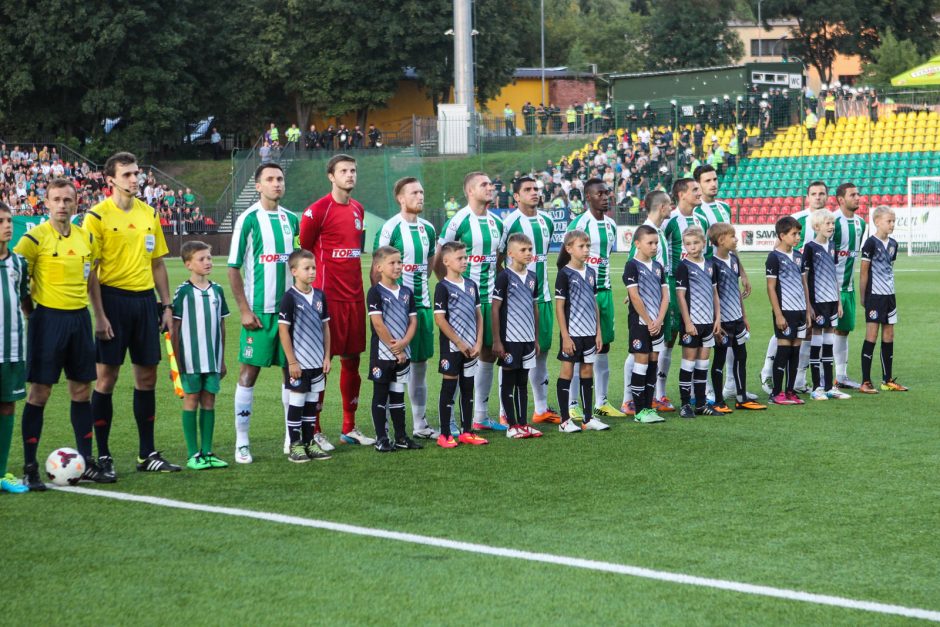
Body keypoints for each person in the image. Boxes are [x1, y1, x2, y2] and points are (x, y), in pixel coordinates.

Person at [85, 152, 179, 476]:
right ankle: (104, 454)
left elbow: (158, 263)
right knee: (106, 377)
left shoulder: (149, 213)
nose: (134, 179)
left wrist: (166, 305)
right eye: (126, 175)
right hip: (111, 301)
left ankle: (146, 454)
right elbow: (91, 272)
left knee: (147, 377)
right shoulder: (96, 217)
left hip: (143, 303)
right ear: (109, 179)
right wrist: (99, 315)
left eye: (136, 173)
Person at [14, 180, 107, 490]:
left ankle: (86, 461)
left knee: (81, 391)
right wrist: (31, 313)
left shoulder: (86, 238)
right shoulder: (33, 239)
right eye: (56, 199)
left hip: (79, 320)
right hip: (48, 320)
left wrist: (99, 316)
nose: (63, 205)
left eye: (68, 199)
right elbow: (16, 277)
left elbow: (92, 277)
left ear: (76, 202)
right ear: (46, 203)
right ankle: (30, 466)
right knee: (40, 392)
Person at [228, 162, 303, 463]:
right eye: (270, 179)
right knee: (249, 373)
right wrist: (244, 309)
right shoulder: (247, 220)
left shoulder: (291, 220)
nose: (277, 184)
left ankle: (291, 436)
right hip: (259, 312)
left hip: (289, 312)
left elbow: (299, 263)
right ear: (257, 186)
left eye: (280, 179)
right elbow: (233, 268)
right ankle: (242, 441)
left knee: (292, 372)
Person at [300, 154, 374, 445]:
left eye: (353, 170)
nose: (350, 175)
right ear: (331, 176)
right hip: (327, 299)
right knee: (322, 364)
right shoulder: (317, 210)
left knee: (352, 361)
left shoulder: (358, 209)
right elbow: (305, 250)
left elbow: (355, 249)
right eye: (343, 171)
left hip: (355, 297)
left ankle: (349, 427)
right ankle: (315, 429)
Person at [434, 172, 505, 431]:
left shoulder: (498, 222)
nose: (490, 187)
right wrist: (453, 292)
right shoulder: (458, 221)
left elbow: (498, 261)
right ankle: (450, 420)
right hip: (464, 301)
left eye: (490, 184)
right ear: (469, 191)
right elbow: (440, 259)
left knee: (488, 354)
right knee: (458, 357)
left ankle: (480, 416)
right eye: (483, 185)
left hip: (490, 301)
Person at [374, 177, 438, 439]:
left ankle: (420, 424)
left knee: (420, 366)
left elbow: (430, 264)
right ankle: (388, 426)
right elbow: (376, 271)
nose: (420, 196)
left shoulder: (429, 229)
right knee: (393, 367)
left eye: (422, 192)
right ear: (400, 198)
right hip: (395, 312)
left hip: (421, 307)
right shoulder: (390, 228)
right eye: (414, 192)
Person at [694, 164, 757, 403]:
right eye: (708, 180)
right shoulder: (698, 213)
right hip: (710, 276)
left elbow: (731, 245)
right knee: (713, 334)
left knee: (735, 331)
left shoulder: (724, 207)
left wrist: (742, 272)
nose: (713, 183)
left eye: (715, 179)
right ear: (698, 185)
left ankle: (733, 385)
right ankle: (708, 389)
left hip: (728, 274)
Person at [498, 176, 559, 425]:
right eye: (528, 190)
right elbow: (500, 257)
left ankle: (541, 408)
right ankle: (505, 412)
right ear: (516, 196)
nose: (534, 193)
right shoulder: (510, 222)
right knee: (510, 360)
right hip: (516, 304)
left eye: (536, 189)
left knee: (541, 352)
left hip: (542, 297)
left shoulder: (546, 220)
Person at [761, 181, 828, 394]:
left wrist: (809, 305)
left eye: (822, 194)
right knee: (784, 342)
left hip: (809, 296)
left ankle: (795, 384)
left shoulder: (827, 222)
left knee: (801, 342)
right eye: (814, 194)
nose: (818, 197)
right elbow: (772, 283)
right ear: (808, 196)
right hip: (787, 302)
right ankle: (770, 378)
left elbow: (806, 276)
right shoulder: (798, 220)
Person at [566, 179, 623, 420]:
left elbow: (605, 258)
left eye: (607, 192)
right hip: (583, 294)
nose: (605, 196)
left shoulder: (610, 225)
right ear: (588, 197)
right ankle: (572, 403)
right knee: (579, 348)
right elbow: (564, 260)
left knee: (604, 345)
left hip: (605, 291)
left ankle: (601, 401)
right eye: (599, 193)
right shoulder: (579, 223)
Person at [171, 241, 230, 470]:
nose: (207, 262)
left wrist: (222, 358)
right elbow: (175, 328)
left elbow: (221, 325)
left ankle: (207, 451)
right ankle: (192, 454)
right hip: (190, 360)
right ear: (188, 264)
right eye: (201, 259)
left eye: (209, 258)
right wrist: (175, 362)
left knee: (209, 401)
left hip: (212, 358)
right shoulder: (183, 292)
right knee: (191, 400)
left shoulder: (217, 290)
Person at [277, 249, 333, 462]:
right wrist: (292, 361)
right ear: (294, 271)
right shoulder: (289, 298)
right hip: (298, 364)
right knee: (297, 402)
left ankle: (310, 442)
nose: (312, 272)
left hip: (317, 362)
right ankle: (295, 445)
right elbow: (283, 331)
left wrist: (327, 356)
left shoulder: (320, 296)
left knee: (312, 404)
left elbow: (326, 327)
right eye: (307, 268)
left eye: (313, 268)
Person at [660, 179, 709, 410]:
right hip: (674, 284)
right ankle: (660, 392)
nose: (700, 193)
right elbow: (659, 250)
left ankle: (699, 394)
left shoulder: (702, 219)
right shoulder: (670, 221)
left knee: (699, 338)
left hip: (699, 289)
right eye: (695, 190)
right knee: (669, 338)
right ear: (681, 194)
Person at [366, 246, 421, 453]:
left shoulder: (406, 292)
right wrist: (396, 349)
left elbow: (412, 321)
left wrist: (405, 342)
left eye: (400, 262)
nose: (398, 266)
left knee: (398, 396)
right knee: (380, 395)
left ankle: (401, 437)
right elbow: (378, 324)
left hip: (402, 354)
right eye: (393, 263)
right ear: (379, 267)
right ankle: (381, 438)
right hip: (383, 354)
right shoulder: (375, 292)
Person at [621, 190, 671, 416]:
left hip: (656, 321)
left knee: (653, 360)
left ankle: (648, 404)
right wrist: (650, 319)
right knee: (639, 360)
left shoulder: (658, 266)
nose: (654, 247)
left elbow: (665, 294)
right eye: (650, 243)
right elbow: (634, 294)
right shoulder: (633, 264)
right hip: (642, 321)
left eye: (655, 243)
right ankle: (636, 405)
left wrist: (659, 320)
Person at [433, 241, 487, 448]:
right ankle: (444, 434)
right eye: (460, 258)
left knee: (467, 387)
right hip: (453, 348)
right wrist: (459, 342)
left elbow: (478, 316)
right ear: (446, 261)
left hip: (472, 347)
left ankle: (467, 431)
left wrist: (479, 342)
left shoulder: (471, 285)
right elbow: (440, 319)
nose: (465, 261)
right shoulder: (442, 287)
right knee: (449, 387)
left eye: (466, 257)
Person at [708, 223, 766, 412]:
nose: (736, 239)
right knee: (720, 359)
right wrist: (716, 320)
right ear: (720, 240)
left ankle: (741, 398)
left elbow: (736, 292)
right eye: (732, 236)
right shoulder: (712, 264)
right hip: (722, 321)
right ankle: (718, 400)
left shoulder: (733, 259)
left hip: (737, 319)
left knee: (741, 357)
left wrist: (744, 316)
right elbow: (713, 296)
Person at [554, 230, 608, 433]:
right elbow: (560, 307)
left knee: (587, 371)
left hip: (589, 333)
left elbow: (594, 304)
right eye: (581, 247)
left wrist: (598, 332)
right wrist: (565, 336)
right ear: (569, 249)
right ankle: (565, 421)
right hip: (572, 333)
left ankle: (587, 418)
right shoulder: (564, 274)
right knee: (567, 372)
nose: (586, 250)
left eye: (588, 246)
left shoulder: (591, 273)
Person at [492, 233, 542, 439]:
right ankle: (512, 425)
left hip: (528, 339)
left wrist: (536, 338)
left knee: (523, 381)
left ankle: (523, 423)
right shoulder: (504, 276)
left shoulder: (532, 277)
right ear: (510, 253)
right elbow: (495, 309)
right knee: (509, 380)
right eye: (523, 250)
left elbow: (534, 307)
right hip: (510, 339)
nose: (528, 253)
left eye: (530, 249)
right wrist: (497, 340)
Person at [800, 211, 851, 401]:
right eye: (827, 223)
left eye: (832, 223)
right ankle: (817, 388)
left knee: (829, 344)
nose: (831, 226)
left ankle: (830, 387)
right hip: (817, 302)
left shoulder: (832, 246)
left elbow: (834, 276)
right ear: (816, 227)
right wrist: (808, 305)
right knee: (817, 343)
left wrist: (838, 301)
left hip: (831, 302)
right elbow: (804, 278)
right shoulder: (810, 248)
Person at [858, 206, 907, 394]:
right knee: (872, 335)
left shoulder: (894, 244)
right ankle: (865, 382)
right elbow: (864, 271)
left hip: (890, 296)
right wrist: (864, 296)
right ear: (877, 221)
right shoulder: (870, 244)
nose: (892, 224)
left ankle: (887, 380)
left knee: (889, 335)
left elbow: (889, 268)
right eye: (889, 221)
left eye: (893, 221)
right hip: (874, 296)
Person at [674, 226, 720, 418]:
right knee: (688, 363)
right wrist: (688, 322)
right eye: (688, 244)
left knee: (703, 364)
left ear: (703, 243)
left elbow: (715, 293)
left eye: (695, 243)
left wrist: (718, 318)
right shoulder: (683, 266)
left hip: (708, 323)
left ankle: (701, 404)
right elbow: (681, 297)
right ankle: (685, 405)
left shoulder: (710, 264)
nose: (692, 247)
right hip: (692, 324)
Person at [0, 204, 29, 493]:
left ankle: (1, 471)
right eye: (1, 221)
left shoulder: (19, 263)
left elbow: (24, 300)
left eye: (9, 220)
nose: (7, 225)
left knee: (7, 406)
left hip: (11, 349)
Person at [765, 216, 808, 405]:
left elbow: (804, 284)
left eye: (799, 233)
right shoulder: (774, 257)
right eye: (794, 234)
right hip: (785, 311)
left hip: (800, 311)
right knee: (783, 351)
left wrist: (808, 311)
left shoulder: (799, 256)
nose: (797, 237)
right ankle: (776, 393)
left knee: (795, 352)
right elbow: (771, 287)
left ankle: (790, 391)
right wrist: (779, 314)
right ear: (782, 236)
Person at [831, 183, 865, 389]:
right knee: (821, 332)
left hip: (849, 288)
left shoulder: (862, 223)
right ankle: (805, 379)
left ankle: (841, 376)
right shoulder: (833, 222)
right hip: (830, 289)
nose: (858, 197)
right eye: (853, 195)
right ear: (841, 199)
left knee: (844, 331)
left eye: (858, 194)